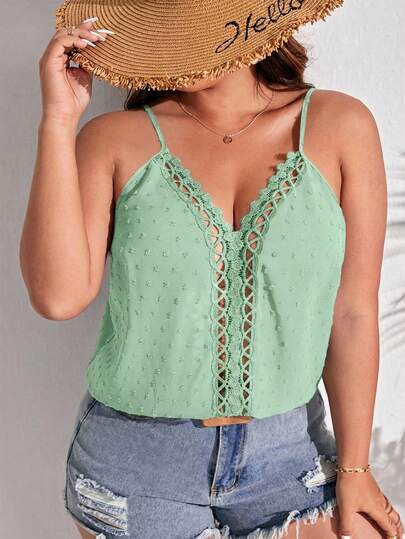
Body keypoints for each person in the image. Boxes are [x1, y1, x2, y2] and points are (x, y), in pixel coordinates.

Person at [19, 2, 402, 538]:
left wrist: (356, 468)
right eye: (169, 28)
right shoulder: (112, 139)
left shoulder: (340, 125)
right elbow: (57, 297)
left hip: (292, 453)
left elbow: (353, 312)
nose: (185, 45)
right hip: (137, 463)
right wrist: (59, 121)